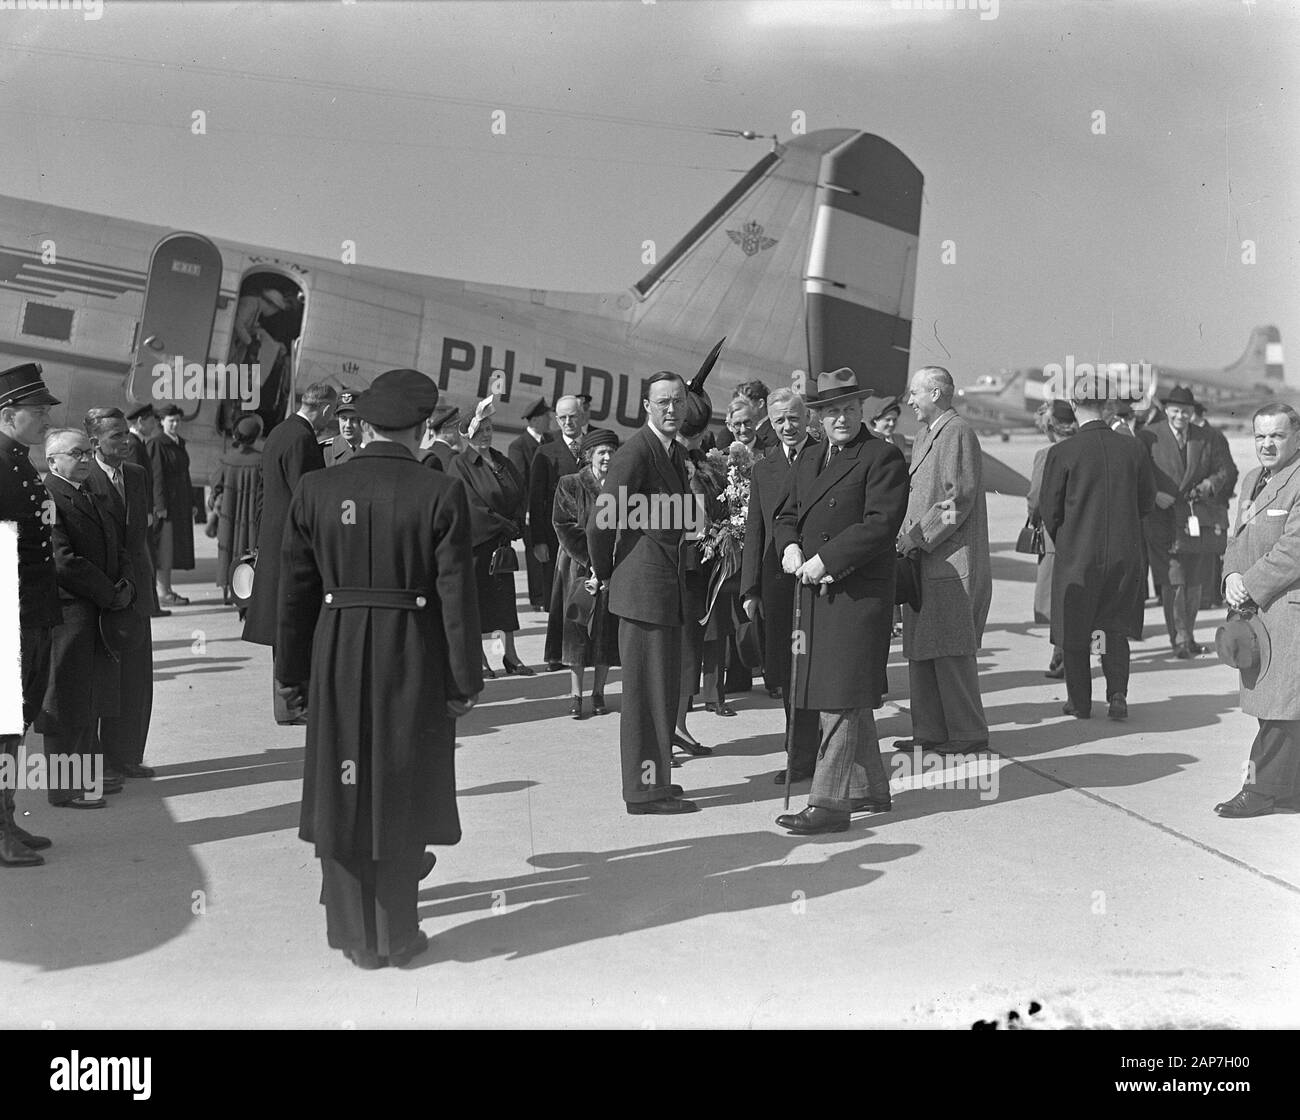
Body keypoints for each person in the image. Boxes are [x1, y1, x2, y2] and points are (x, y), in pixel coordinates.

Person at [276, 368, 483, 969]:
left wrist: (294, 677)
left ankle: (352, 938)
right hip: (411, 653)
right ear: (421, 428)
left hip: (337, 651)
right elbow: (456, 599)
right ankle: (395, 936)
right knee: (401, 784)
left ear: (361, 425)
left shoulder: (316, 488)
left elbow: (294, 594)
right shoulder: (438, 492)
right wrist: (462, 681)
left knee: (342, 793)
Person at [772, 367, 908, 834]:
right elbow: (785, 512)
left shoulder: (882, 457)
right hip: (814, 595)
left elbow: (878, 525)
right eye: (831, 411)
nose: (841, 418)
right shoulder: (810, 460)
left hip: (856, 594)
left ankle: (829, 804)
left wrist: (825, 559)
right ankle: (871, 788)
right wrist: (789, 547)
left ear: (861, 410)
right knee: (841, 691)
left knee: (841, 694)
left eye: (849, 409)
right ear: (819, 418)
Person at [588, 370, 698, 815]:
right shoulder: (636, 452)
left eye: (678, 402)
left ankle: (657, 781)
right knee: (644, 696)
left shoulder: (668, 451)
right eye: (663, 403)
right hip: (642, 588)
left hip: (659, 589)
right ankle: (643, 791)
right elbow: (600, 521)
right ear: (647, 407)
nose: (672, 410)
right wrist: (606, 571)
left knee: (661, 692)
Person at [1038, 383, 1156, 720]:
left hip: (1078, 556)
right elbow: (1146, 502)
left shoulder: (1063, 452)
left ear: (1074, 404)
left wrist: (1069, 539)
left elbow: (1050, 510)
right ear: (1106, 405)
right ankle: (1116, 693)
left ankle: (1081, 701)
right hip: (1124, 555)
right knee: (1110, 627)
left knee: (1076, 629)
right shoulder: (1132, 449)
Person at [898, 366, 992, 753]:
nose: (909, 401)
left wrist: (918, 537)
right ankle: (930, 732)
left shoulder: (957, 432)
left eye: (915, 394)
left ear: (935, 394)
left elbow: (959, 501)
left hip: (950, 563)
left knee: (951, 651)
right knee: (922, 649)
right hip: (925, 562)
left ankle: (968, 733)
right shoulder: (925, 435)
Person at [41, 428, 135, 809]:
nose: (84, 459)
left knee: (89, 698)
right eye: (76, 453)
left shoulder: (85, 492)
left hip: (96, 610)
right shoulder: (49, 496)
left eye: (87, 452)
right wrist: (109, 592)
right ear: (53, 461)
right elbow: (63, 561)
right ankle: (64, 789)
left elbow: (117, 544)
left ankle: (84, 777)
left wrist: (125, 582)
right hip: (71, 613)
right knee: (66, 700)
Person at [1215, 403, 1300, 817]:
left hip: (1287, 610)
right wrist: (1230, 575)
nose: (1267, 444)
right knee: (1274, 705)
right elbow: (1237, 539)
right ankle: (1288, 791)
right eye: (1260, 436)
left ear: (1296, 436)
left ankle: (1259, 790)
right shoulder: (1252, 480)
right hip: (1255, 612)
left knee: (1281, 708)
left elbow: (1293, 550)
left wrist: (1248, 584)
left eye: (1277, 436)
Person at [0, 364, 64, 866]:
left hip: (32, 612)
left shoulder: (18, 462)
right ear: (7, 414)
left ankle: (7, 818)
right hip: (10, 617)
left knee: (18, 721)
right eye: (38, 411)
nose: (46, 419)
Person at [242, 382, 336, 721]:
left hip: (275, 543)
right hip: (295, 548)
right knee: (294, 630)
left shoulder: (280, 432)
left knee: (285, 629)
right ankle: (293, 706)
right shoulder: (301, 438)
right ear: (324, 408)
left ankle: (289, 704)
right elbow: (307, 495)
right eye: (334, 411)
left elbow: (267, 492)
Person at [741, 387, 820, 784]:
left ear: (807, 419)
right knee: (786, 670)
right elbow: (756, 529)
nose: (787, 427)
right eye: (779, 421)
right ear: (769, 424)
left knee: (816, 667)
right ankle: (798, 754)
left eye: (793, 418)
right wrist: (750, 589)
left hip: (821, 581)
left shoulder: (825, 458)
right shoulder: (764, 467)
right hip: (777, 585)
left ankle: (818, 750)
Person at [83, 408, 156, 781]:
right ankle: (102, 760)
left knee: (137, 679)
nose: (126, 441)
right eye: (116, 436)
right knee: (103, 681)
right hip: (104, 594)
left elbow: (141, 535)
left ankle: (127, 755)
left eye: (126, 434)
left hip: (137, 592)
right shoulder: (85, 478)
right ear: (95, 443)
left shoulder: (138, 475)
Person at [1139, 385, 1236, 658]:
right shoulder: (1148, 436)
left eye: (1185, 411)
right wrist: (1153, 494)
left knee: (1194, 580)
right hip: (1163, 519)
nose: (1181, 415)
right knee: (1173, 579)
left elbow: (1226, 469)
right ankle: (1179, 638)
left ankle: (1188, 636)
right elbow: (1137, 471)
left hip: (1196, 518)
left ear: (1192, 412)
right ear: (1166, 410)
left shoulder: (1209, 437)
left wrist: (1208, 484)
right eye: (1175, 410)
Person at [448, 411, 533, 676]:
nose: (486, 433)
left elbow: (520, 492)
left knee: (503, 603)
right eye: (480, 429)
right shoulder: (459, 464)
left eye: (489, 428)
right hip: (476, 545)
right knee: (476, 604)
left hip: (501, 543)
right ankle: (479, 658)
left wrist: (517, 521)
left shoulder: (501, 460)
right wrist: (503, 523)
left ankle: (509, 655)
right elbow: (471, 505)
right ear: (467, 433)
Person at [531, 395, 606, 670]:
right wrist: (537, 539)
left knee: (595, 595)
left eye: (572, 416)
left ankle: (593, 652)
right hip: (561, 538)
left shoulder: (598, 446)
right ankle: (558, 653)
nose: (567, 422)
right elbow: (536, 498)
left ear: (582, 415)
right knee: (561, 598)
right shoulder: (547, 451)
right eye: (561, 418)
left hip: (597, 535)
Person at [551, 429, 621, 719]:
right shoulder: (570, 484)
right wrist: (593, 561)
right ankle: (576, 695)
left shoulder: (623, 485)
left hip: (611, 569)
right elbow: (563, 525)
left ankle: (599, 692)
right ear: (589, 455)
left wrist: (609, 563)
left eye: (610, 451)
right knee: (576, 629)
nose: (606, 457)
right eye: (601, 452)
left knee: (605, 631)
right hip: (579, 568)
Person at [1027, 400, 1078, 678]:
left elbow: (1036, 499)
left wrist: (1035, 519)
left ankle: (1061, 655)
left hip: (1055, 540)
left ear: (1049, 426)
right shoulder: (1087, 448)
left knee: (1057, 602)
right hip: (1086, 539)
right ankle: (1083, 654)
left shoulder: (1047, 454)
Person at [208, 415, 264, 604]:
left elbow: (215, 485)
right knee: (251, 546)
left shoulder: (227, 459)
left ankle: (226, 589)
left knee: (229, 546)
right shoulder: (261, 460)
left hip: (229, 514)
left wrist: (213, 503)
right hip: (252, 515)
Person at [509, 396, 555, 610]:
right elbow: (520, 479)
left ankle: (549, 595)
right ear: (535, 420)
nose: (550, 420)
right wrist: (527, 507)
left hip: (549, 509)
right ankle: (538, 598)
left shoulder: (550, 441)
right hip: (531, 510)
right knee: (534, 553)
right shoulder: (518, 446)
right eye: (546, 416)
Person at [1193, 400, 1238, 609]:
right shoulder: (1194, 435)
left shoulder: (1213, 436)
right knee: (1204, 551)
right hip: (1202, 507)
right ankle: (1206, 596)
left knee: (1211, 551)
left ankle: (1210, 596)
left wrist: (1214, 492)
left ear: (1196, 414)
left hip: (1213, 505)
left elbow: (1229, 471)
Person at [147, 404, 194, 607]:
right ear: (162, 422)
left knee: (172, 548)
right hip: (166, 506)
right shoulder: (157, 444)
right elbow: (156, 477)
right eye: (171, 420)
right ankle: (162, 592)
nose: (175, 424)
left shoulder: (178, 443)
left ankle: (167, 590)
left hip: (180, 503)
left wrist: (192, 502)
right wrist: (159, 505)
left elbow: (186, 475)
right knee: (164, 549)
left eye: (177, 420)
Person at [323, 390, 362, 468]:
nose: (348, 425)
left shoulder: (373, 448)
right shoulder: (326, 451)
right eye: (343, 419)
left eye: (353, 419)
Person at [420, 404, 461, 471]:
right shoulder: (452, 455)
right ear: (443, 430)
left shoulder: (427, 451)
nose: (458, 432)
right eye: (455, 428)